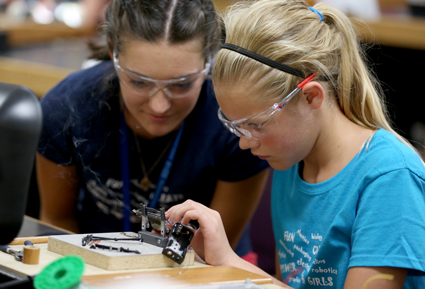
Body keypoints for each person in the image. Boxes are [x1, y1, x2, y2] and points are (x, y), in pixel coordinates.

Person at [165, 0, 425, 288]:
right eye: (236, 126)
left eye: (257, 124)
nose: (243, 144)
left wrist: (231, 262)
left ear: (311, 97)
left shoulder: (390, 175)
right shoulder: (291, 160)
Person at [36, 0, 270, 262]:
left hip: (203, 265)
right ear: (114, 52)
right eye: (139, 81)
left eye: (182, 84)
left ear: (209, 59)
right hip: (93, 261)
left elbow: (213, 256)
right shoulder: (65, 107)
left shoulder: (236, 122)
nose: (160, 106)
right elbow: (57, 220)